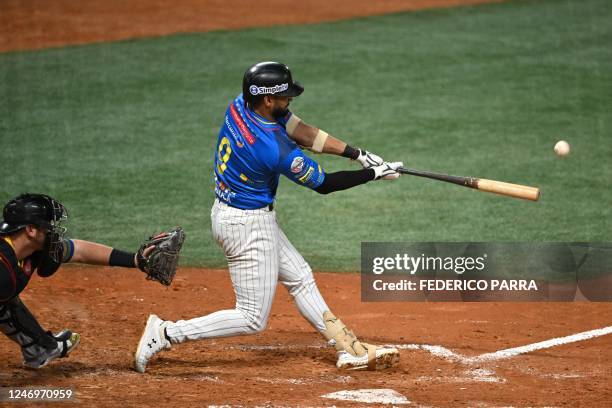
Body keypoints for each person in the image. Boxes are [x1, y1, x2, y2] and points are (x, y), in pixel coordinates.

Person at [134, 62, 403, 373]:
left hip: (237, 214)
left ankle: (347, 347)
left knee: (300, 277)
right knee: (251, 317)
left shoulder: (240, 105)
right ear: (267, 99)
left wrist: (355, 153)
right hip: (247, 226)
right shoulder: (271, 148)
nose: (289, 101)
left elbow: (299, 129)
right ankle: (166, 332)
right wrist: (373, 174)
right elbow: (325, 185)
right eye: (285, 96)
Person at [0, 193, 154, 369]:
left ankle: (38, 348)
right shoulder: (3, 267)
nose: (52, 230)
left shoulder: (30, 247)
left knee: (6, 301)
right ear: (31, 230)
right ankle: (39, 347)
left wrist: (134, 260)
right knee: (5, 301)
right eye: (47, 225)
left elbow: (78, 251)